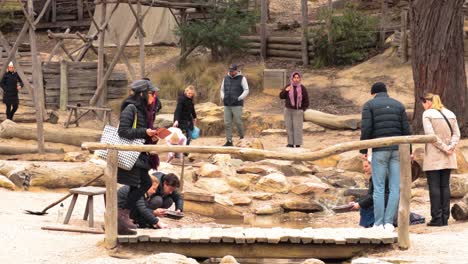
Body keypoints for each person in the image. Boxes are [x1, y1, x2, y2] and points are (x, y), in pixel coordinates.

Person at [359, 82, 411, 231]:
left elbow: (366, 128)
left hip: (379, 150)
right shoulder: (399, 105)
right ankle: (389, 223)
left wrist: (363, 150)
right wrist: (410, 150)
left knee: (379, 187)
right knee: (394, 187)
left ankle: (378, 223)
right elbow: (406, 129)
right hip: (397, 150)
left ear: (373, 93)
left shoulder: (369, 105)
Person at [116, 79, 160, 235]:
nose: (153, 96)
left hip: (139, 155)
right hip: (132, 155)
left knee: (140, 184)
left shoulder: (143, 110)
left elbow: (141, 131)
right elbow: (123, 131)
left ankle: (123, 218)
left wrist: (151, 136)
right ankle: (121, 216)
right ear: (142, 94)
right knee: (143, 183)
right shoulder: (131, 108)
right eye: (151, 93)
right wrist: (144, 132)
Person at [420, 93, 460, 226]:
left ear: (427, 102)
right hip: (448, 155)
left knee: (434, 187)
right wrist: (450, 147)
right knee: (445, 186)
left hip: (434, 155)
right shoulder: (451, 113)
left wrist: (444, 147)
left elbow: (430, 136)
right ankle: (445, 217)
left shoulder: (427, 114)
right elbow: (457, 134)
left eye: (423, 103)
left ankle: (437, 218)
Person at [220, 63, 249, 147]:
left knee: (238, 122)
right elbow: (222, 89)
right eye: (230, 71)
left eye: (232, 71)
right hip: (227, 104)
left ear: (236, 70)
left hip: (237, 104)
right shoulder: (225, 78)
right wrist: (223, 97)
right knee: (227, 123)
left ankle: (241, 138)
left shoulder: (242, 78)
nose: (231, 72)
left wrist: (239, 98)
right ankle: (229, 141)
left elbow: (246, 90)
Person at [279, 72, 310, 148]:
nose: (296, 79)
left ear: (299, 79)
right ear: (292, 78)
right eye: (294, 78)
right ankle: (290, 143)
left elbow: (306, 101)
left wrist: (302, 109)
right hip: (288, 110)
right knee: (289, 127)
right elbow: (281, 96)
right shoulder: (288, 86)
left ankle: (298, 143)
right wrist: (285, 91)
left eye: (297, 78)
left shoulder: (302, 88)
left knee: (298, 127)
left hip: (298, 111)